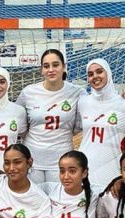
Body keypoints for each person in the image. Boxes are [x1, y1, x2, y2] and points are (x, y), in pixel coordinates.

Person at [16, 49, 85, 184]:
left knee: (59, 202)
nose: (51, 69)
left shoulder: (77, 92)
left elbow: (79, 125)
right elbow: (17, 119)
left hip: (61, 158)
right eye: (46, 66)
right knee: (35, 202)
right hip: (33, 159)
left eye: (55, 65)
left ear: (64, 67)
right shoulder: (28, 92)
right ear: (41, 70)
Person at [78, 58, 125, 187]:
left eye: (99, 71)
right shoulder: (83, 102)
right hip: (85, 166)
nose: (95, 76)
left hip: (112, 167)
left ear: (108, 74)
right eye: (90, 74)